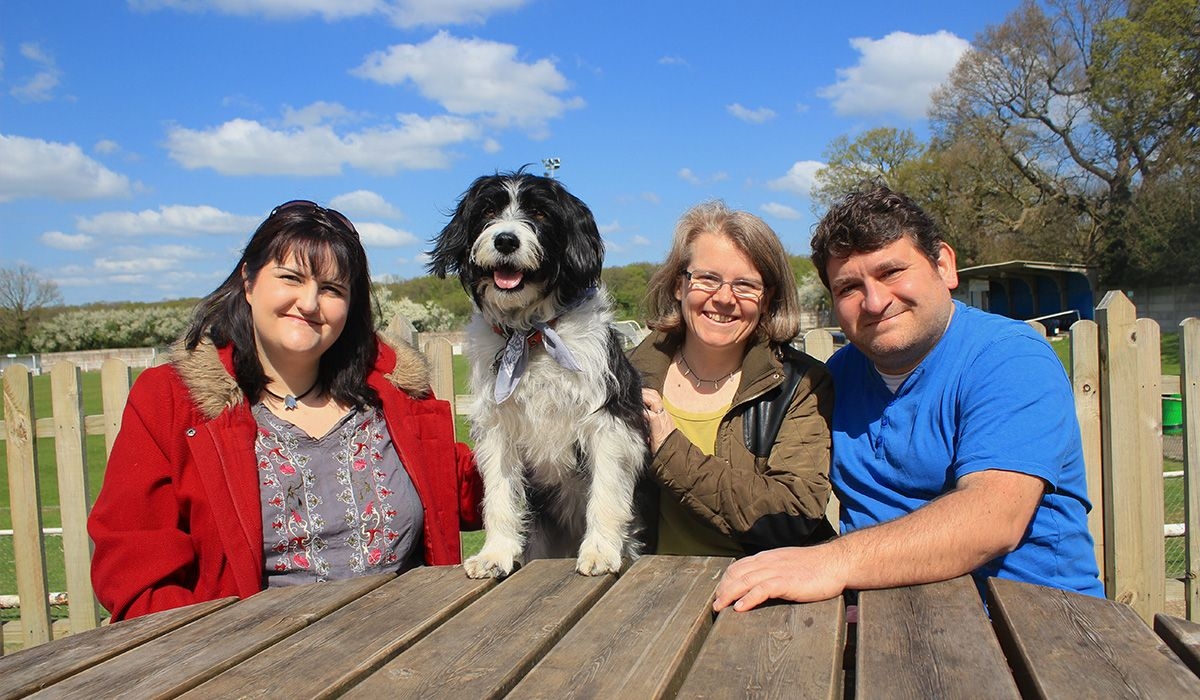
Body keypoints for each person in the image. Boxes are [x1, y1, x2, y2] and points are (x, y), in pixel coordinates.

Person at [713, 185, 1103, 613]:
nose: (876, 301)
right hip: (888, 630)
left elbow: (993, 520)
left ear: (944, 266)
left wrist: (830, 562)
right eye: (849, 288)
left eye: (892, 272)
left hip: (1033, 629)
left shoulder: (1008, 357)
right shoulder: (836, 376)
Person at [88, 200, 482, 621]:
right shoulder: (173, 401)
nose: (310, 303)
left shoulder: (393, 397)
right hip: (249, 665)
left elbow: (474, 488)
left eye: (332, 289)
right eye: (291, 278)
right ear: (248, 280)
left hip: (410, 647)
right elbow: (135, 574)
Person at [629, 201, 836, 556]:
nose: (724, 298)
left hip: (757, 592)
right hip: (642, 589)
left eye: (745, 285)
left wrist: (668, 450)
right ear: (679, 285)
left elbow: (794, 511)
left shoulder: (799, 384)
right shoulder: (625, 376)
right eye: (708, 278)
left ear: (767, 298)